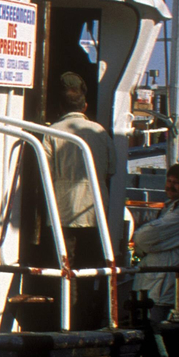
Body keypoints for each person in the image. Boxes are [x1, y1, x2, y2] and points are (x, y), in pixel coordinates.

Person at [48, 71, 115, 327]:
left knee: (67, 269)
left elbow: (44, 173)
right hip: (95, 212)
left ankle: (68, 320)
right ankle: (87, 319)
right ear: (85, 106)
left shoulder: (52, 132)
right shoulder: (101, 132)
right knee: (90, 268)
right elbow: (111, 170)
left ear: (60, 106)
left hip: (63, 214)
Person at [132, 162, 179, 318]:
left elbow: (143, 237)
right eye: (169, 181)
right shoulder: (171, 207)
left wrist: (143, 245)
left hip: (164, 286)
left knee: (155, 326)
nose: (171, 186)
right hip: (157, 283)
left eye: (177, 183)